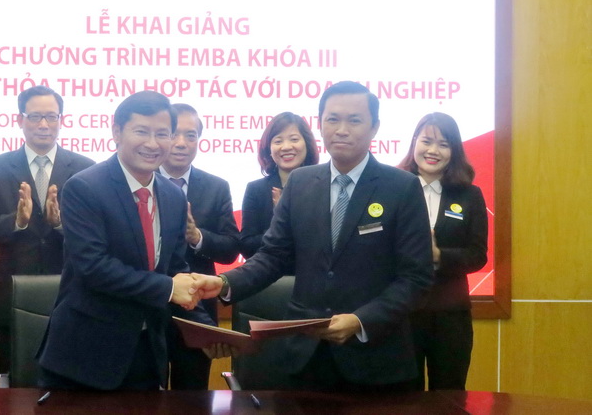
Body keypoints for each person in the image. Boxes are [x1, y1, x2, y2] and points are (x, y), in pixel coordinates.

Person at [194, 81, 434, 393]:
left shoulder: (402, 187)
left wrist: (361, 321)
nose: (342, 130)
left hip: (375, 359)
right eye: (332, 119)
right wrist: (225, 283)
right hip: (305, 359)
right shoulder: (300, 182)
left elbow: (416, 278)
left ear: (375, 127)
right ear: (320, 124)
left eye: (354, 120)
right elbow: (272, 256)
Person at [36, 91, 212, 391]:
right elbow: (94, 268)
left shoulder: (173, 197)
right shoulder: (84, 187)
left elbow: (174, 268)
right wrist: (169, 288)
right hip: (85, 357)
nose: (152, 143)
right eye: (141, 131)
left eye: (162, 134)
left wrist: (208, 331)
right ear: (117, 132)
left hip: (147, 352)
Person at [0, 85, 94, 374]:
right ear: (20, 120)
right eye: (35, 116)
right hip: (13, 293)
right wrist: (17, 221)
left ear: (61, 120)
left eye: (51, 117)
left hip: (69, 294)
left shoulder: (86, 169)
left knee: (69, 381)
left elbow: (95, 235)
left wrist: (61, 224)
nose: (44, 124)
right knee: (13, 381)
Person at [398, 112, 488, 390]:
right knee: (402, 400)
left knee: (449, 397)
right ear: (415, 142)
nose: (433, 151)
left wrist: (440, 256)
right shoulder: (392, 189)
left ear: (454, 151)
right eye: (427, 141)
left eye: (443, 144)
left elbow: (478, 255)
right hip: (401, 313)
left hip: (450, 314)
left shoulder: (470, 195)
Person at [160, 103, 241, 390]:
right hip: (150, 307)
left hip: (197, 312)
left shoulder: (216, 187)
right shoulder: (141, 183)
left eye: (191, 135)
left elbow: (231, 249)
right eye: (174, 134)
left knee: (192, 397)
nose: (181, 143)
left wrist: (197, 237)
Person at [240, 112, 319, 258]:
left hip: (311, 271)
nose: (286, 147)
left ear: (307, 144)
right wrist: (280, 223)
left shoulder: (322, 187)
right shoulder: (256, 190)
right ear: (269, 149)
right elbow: (247, 247)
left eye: (294, 139)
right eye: (278, 141)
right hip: (269, 271)